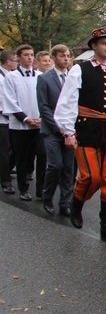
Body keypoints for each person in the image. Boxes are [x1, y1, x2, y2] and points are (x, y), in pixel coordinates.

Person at [55, 27, 106, 241]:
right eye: (104, 43)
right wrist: (68, 131)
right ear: (94, 46)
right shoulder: (80, 70)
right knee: (91, 176)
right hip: (87, 129)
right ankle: (76, 202)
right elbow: (68, 101)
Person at [37, 44, 75, 216]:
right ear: (54, 58)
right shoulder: (45, 79)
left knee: (69, 167)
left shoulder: (73, 78)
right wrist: (58, 127)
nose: (66, 59)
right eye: (62, 56)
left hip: (70, 130)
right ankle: (47, 196)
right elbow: (43, 106)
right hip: (52, 130)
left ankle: (65, 203)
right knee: (55, 165)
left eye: (67, 56)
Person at [3, 44, 44, 202]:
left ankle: (41, 189)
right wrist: (26, 118)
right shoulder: (11, 77)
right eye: (26, 55)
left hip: (39, 123)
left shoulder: (40, 76)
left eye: (32, 54)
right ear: (18, 58)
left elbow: (43, 99)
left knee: (42, 154)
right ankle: (23, 188)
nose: (30, 57)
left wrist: (41, 117)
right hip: (20, 125)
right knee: (22, 157)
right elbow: (10, 100)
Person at [0, 50, 19, 194]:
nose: (17, 63)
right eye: (15, 61)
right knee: (4, 151)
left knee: (15, 148)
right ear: (8, 62)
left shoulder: (12, 76)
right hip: (3, 119)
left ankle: (7, 170)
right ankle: (5, 181)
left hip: (14, 118)